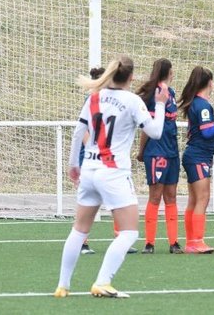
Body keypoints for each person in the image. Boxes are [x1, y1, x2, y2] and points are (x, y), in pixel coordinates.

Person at [54, 55, 168, 299]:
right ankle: (102, 281)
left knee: (79, 230)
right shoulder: (132, 100)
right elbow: (156, 132)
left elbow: (78, 133)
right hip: (113, 173)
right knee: (129, 233)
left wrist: (74, 164)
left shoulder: (94, 96)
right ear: (131, 77)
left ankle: (63, 286)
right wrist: (160, 103)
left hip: (90, 170)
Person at [78, 67, 137, 256]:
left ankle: (121, 236)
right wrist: (96, 151)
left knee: (116, 200)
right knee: (87, 205)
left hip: (108, 160)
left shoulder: (110, 100)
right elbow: (83, 131)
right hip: (94, 161)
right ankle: (82, 242)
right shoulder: (93, 100)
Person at [178, 66, 214, 254]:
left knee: (194, 200)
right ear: (209, 82)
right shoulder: (202, 105)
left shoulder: (196, 103)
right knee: (202, 198)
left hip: (196, 155)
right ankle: (197, 241)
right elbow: (207, 132)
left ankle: (191, 242)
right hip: (198, 156)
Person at [135, 58, 183, 254]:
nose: (173, 73)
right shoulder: (153, 95)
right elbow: (148, 127)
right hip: (156, 151)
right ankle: (149, 243)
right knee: (155, 196)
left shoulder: (170, 93)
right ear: (167, 71)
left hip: (172, 150)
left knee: (171, 196)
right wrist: (141, 151)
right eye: (172, 70)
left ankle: (174, 242)